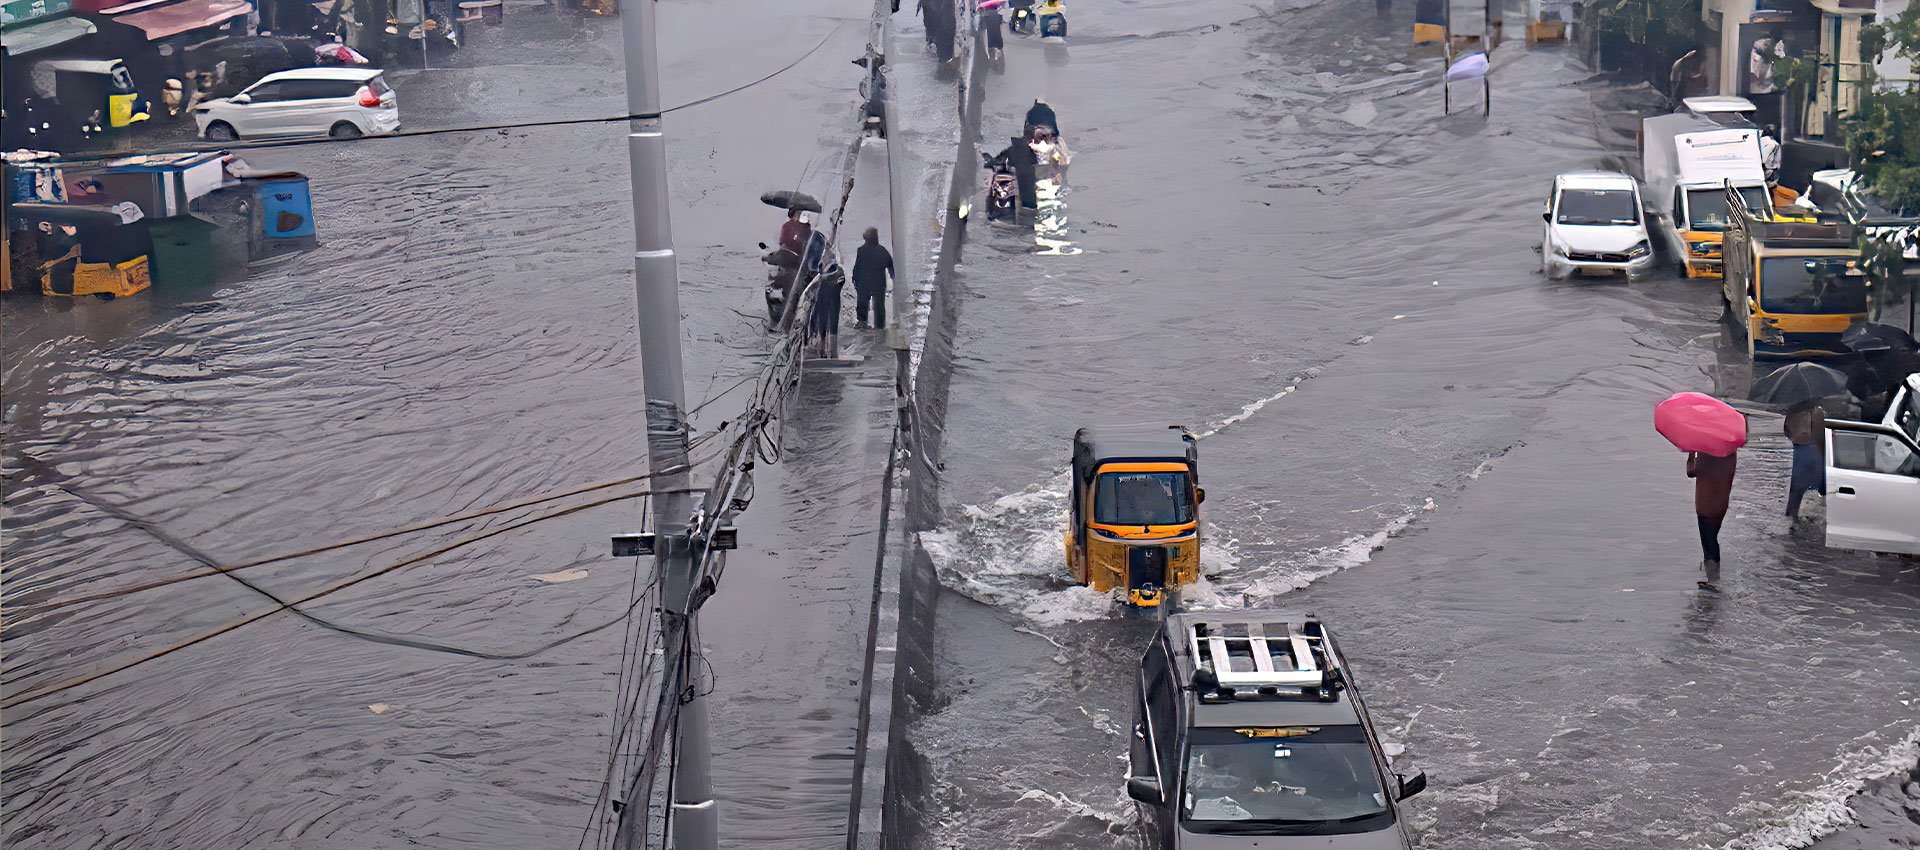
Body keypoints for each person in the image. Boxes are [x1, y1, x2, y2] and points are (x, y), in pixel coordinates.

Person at [1686, 449, 1737, 585]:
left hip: (1705, 505)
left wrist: (1692, 455)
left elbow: (1691, 471)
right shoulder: (1730, 452)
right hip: (1721, 503)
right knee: (1712, 539)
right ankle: (1713, 579)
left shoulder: (1702, 451)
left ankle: (1713, 582)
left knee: (1708, 544)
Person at [1784, 402, 1826, 521]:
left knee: (1796, 493)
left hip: (1801, 450)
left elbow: (1787, 431)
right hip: (1811, 452)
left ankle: (1792, 519)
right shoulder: (1817, 413)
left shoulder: (1793, 409)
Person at [852, 226, 893, 329]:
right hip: (878, 283)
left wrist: (855, 278)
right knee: (878, 307)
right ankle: (879, 326)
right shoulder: (881, 250)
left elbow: (857, 267)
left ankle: (863, 324)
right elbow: (890, 264)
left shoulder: (861, 250)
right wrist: (893, 276)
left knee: (863, 305)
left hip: (865, 283)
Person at [996, 136, 1039, 211]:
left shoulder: (1012, 150)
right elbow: (1035, 161)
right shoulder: (1027, 150)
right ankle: (1030, 205)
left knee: (1023, 189)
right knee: (1028, 189)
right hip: (1027, 173)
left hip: (1022, 173)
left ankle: (1027, 204)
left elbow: (1000, 158)